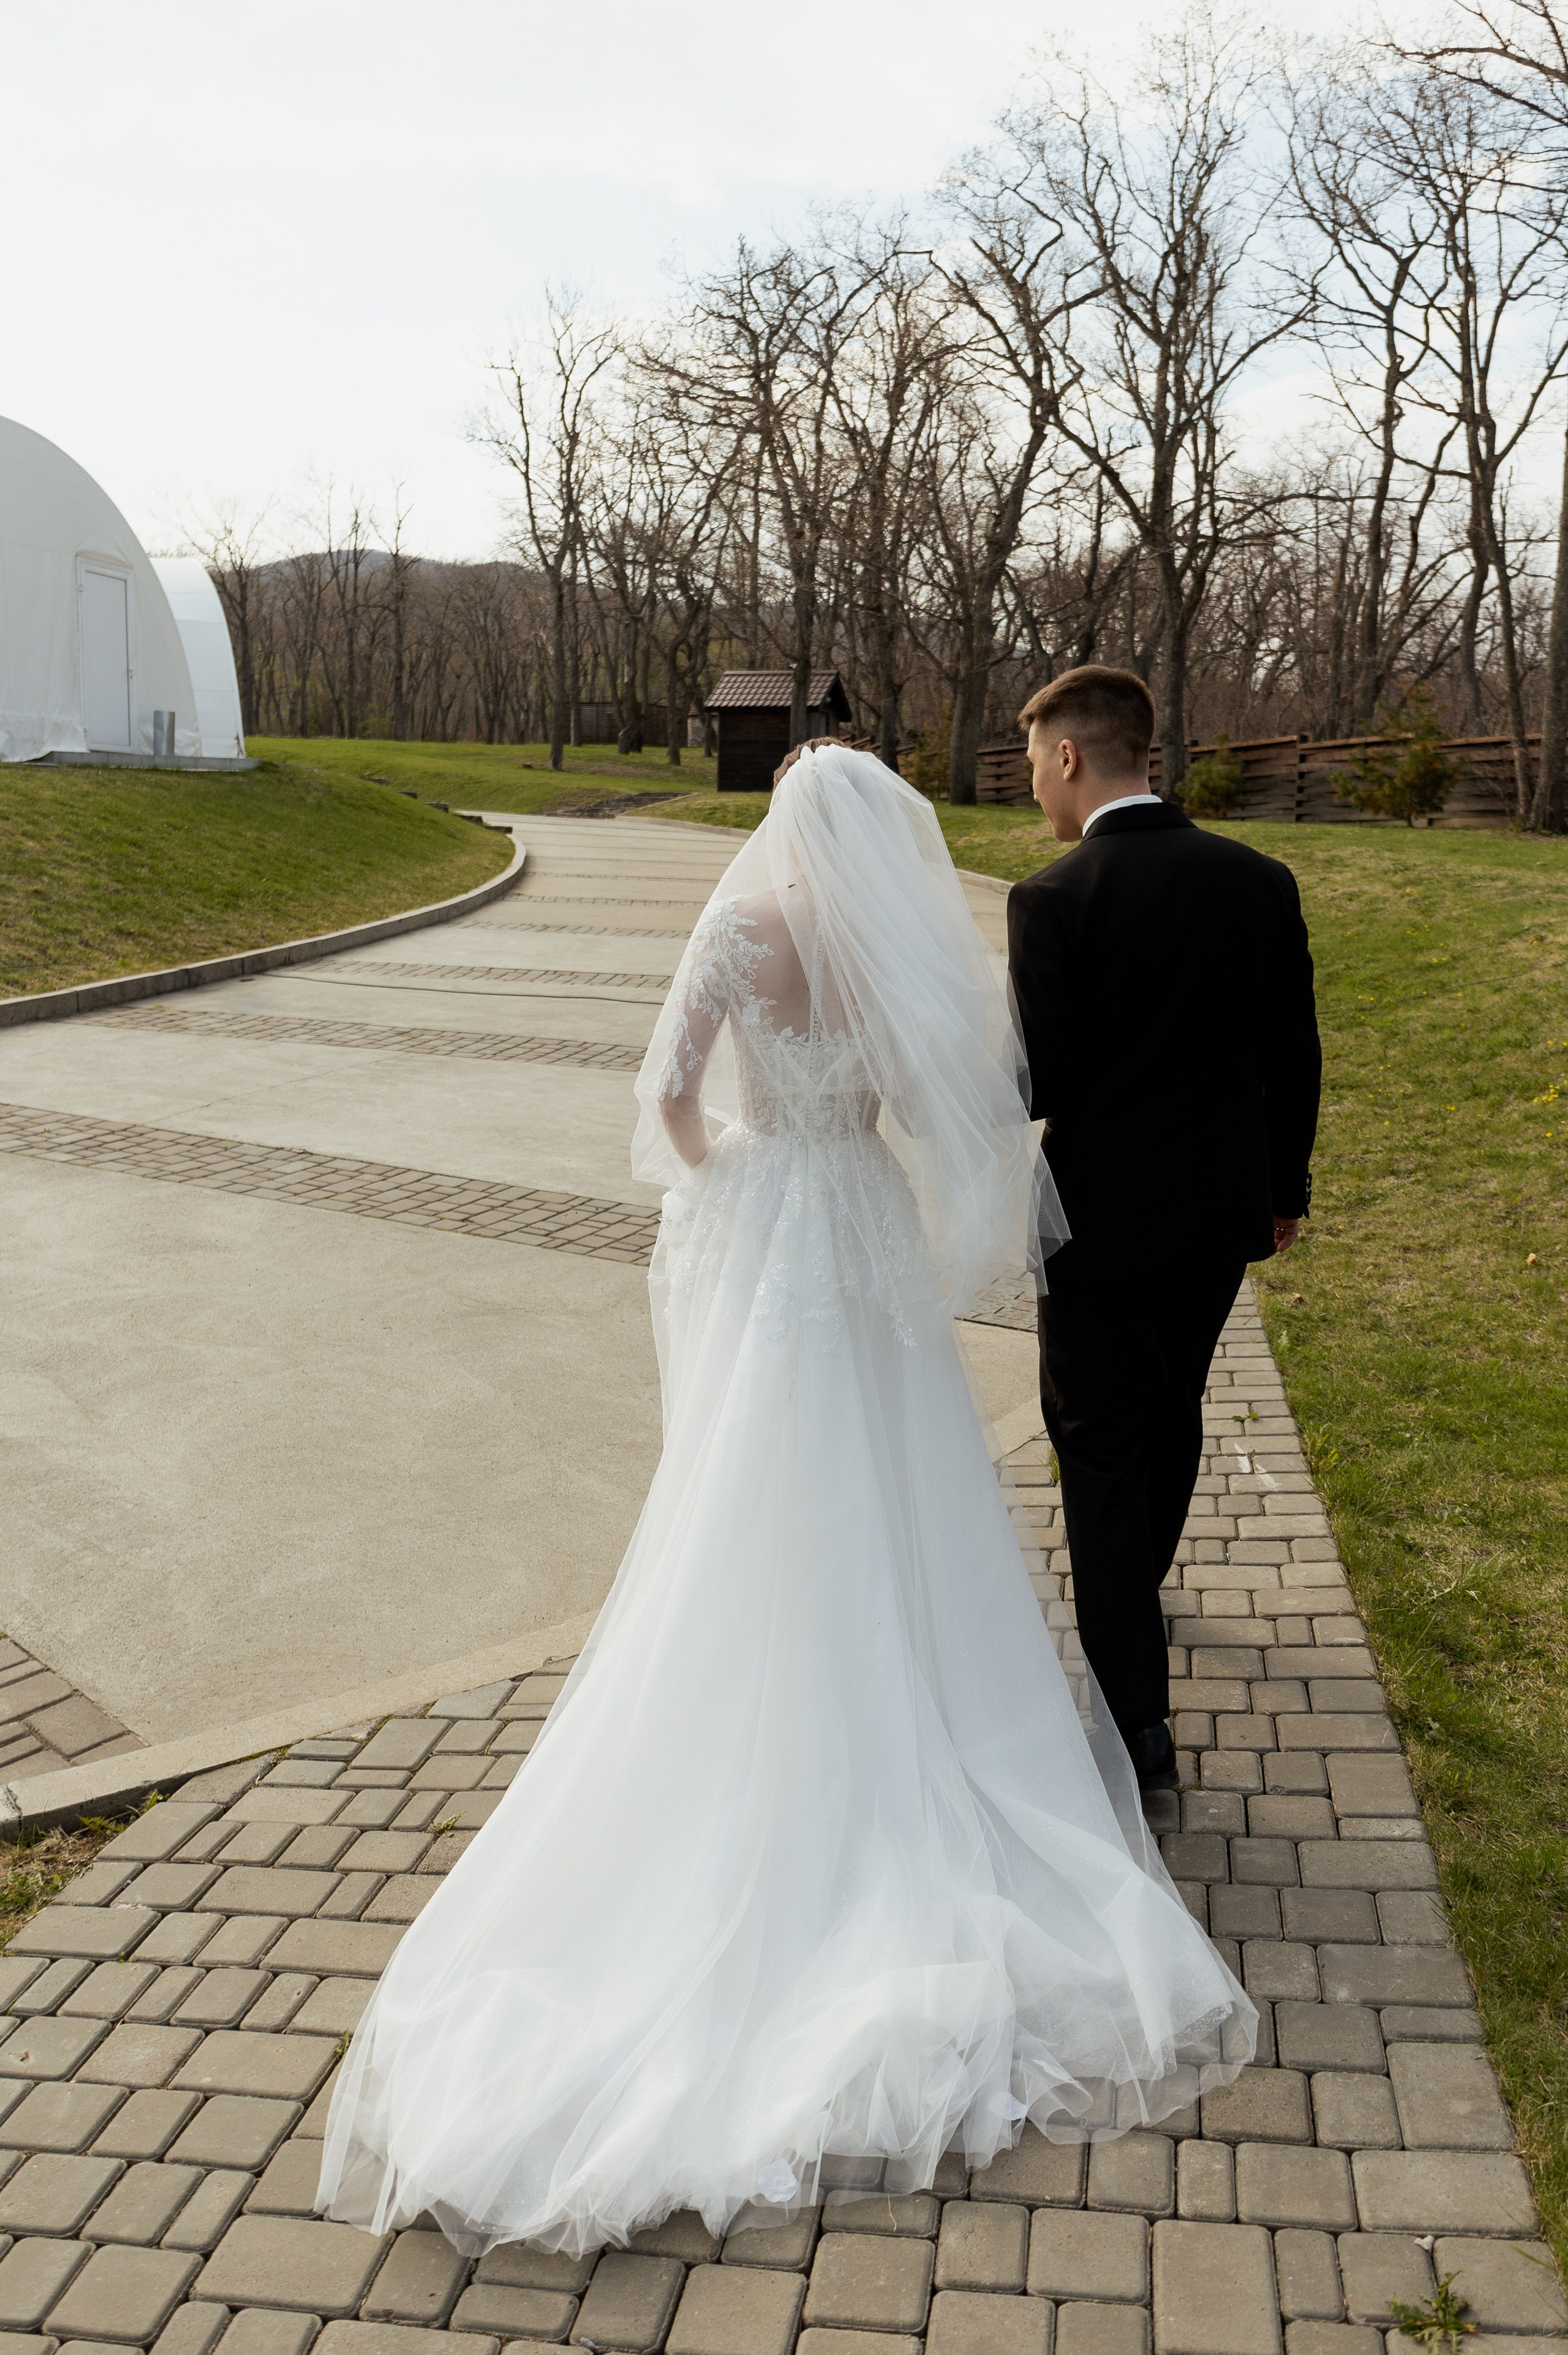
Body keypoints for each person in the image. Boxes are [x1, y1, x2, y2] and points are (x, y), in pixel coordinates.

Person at [316, 743, 1255, 2261]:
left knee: (742, 1482)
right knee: (896, 1478)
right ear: (878, 834)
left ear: (778, 820)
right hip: (862, 1222)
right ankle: (917, 1720)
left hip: (772, 1221)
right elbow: (940, 1102)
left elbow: (667, 1093)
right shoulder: (885, 938)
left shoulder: (735, 929)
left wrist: (726, 1182)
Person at [1006, 667, 1321, 1794]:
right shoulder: (1258, 880)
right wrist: (1285, 1192)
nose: (1038, 787)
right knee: (1173, 1409)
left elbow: (1036, 1083)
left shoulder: (1053, 899)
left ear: (1076, 759)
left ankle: (1136, 1721)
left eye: (1038, 763)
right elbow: (1296, 1055)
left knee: (1097, 1449)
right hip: (1220, 1223)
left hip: (1095, 1231)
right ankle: (1132, 1607)